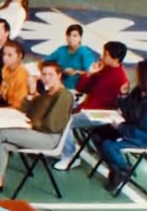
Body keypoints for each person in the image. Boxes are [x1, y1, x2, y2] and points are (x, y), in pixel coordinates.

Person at [0, 59, 74, 189]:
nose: (46, 78)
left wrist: (31, 124)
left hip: (48, 138)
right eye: (44, 74)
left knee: (2, 133)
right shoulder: (46, 94)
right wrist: (31, 94)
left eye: (51, 74)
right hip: (36, 132)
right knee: (2, 144)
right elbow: (25, 111)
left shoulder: (64, 96)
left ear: (59, 76)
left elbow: (53, 125)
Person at [90, 59, 147, 192]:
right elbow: (127, 110)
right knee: (97, 133)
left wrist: (120, 128)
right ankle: (117, 166)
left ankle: (122, 170)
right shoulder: (139, 91)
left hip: (146, 138)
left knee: (109, 145)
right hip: (131, 129)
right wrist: (123, 95)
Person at [53, 40, 129, 169]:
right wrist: (89, 73)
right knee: (57, 108)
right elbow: (81, 88)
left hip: (101, 114)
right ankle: (61, 147)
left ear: (115, 59)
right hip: (89, 109)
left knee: (65, 121)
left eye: (105, 54)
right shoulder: (104, 69)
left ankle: (70, 155)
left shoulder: (120, 78)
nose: (101, 56)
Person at [45, 23, 99, 90]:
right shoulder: (61, 50)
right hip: (57, 84)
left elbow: (91, 73)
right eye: (69, 35)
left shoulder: (85, 53)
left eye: (75, 36)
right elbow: (46, 62)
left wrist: (76, 72)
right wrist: (60, 70)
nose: (71, 38)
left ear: (80, 38)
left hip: (75, 88)